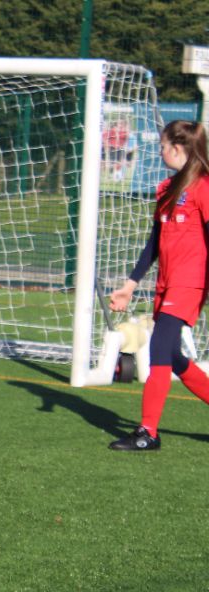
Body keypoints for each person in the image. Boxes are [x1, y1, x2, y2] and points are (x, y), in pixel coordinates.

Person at [108, 120, 209, 451]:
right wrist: (130, 284)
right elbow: (155, 242)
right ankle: (148, 430)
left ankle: (148, 432)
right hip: (165, 284)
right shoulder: (166, 189)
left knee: (158, 352)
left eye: (163, 145)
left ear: (177, 148)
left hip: (189, 283)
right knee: (174, 358)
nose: (161, 150)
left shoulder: (204, 187)